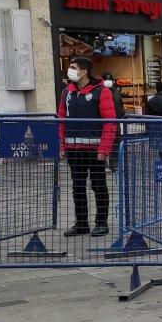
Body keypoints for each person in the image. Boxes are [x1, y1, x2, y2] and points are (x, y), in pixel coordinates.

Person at [57, 56, 116, 237]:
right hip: (74, 150)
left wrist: (104, 150)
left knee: (98, 186)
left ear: (83, 71)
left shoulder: (101, 92)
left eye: (73, 67)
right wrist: (62, 145)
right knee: (78, 187)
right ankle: (81, 223)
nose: (70, 70)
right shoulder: (67, 92)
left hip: (94, 150)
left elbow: (110, 122)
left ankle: (101, 223)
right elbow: (61, 119)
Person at [99, 71, 125, 172]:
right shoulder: (99, 91)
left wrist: (121, 113)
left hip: (116, 121)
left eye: (110, 80)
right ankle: (102, 163)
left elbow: (121, 105)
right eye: (106, 79)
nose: (108, 82)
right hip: (103, 122)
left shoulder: (116, 92)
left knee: (115, 143)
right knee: (104, 142)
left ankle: (113, 164)